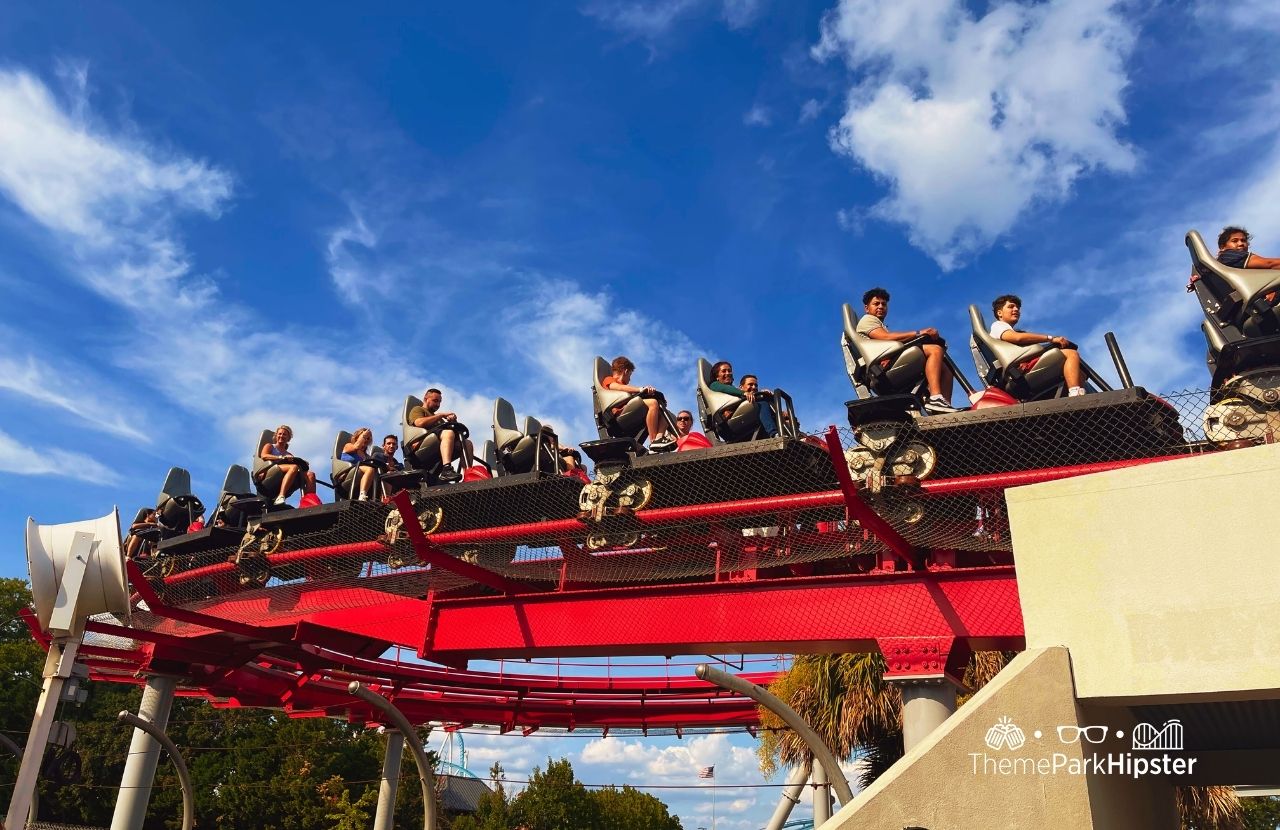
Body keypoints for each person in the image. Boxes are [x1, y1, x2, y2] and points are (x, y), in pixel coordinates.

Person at [856, 287, 959, 413]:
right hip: (881, 376)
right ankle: (935, 398)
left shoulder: (879, 324)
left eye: (884, 304)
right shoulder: (867, 319)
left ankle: (942, 405)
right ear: (867, 308)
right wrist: (919, 333)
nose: (881, 306)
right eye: (876, 304)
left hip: (886, 369)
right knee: (935, 350)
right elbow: (886, 337)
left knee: (945, 367)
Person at [989, 295, 1085, 397]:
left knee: (1080, 373)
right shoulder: (998, 326)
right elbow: (1017, 338)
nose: (1016, 309)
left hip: (1021, 369)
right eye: (1011, 306)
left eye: (1018, 308)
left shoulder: (1013, 331)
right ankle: (1076, 395)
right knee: (1071, 354)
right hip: (1017, 374)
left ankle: (1075, 397)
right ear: (999, 313)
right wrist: (1051, 338)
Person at [600, 356, 674, 451]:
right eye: (630, 375)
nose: (630, 379)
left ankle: (659, 438)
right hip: (618, 417)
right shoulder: (609, 379)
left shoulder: (626, 389)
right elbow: (616, 387)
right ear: (626, 371)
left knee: (664, 412)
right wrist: (640, 389)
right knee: (652, 403)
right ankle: (654, 441)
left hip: (630, 412)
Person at [408, 388, 473, 483]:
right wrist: (440, 415)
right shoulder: (418, 409)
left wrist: (453, 422)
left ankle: (469, 474)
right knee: (448, 433)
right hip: (420, 448)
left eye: (439, 402)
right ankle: (446, 469)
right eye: (435, 401)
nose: (438, 404)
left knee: (466, 443)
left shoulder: (438, 420)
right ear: (426, 399)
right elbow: (419, 423)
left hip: (437, 446)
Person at [708, 362, 778, 438]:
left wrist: (764, 394)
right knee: (762, 404)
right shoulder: (715, 385)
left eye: (729, 371)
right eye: (724, 371)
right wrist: (744, 393)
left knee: (765, 403)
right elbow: (725, 389)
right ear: (717, 376)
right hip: (727, 425)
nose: (728, 373)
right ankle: (774, 433)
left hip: (740, 420)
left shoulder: (733, 390)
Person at [257, 424, 317, 506]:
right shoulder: (270, 446)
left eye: (284, 434)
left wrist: (301, 462)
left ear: (288, 438)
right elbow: (264, 456)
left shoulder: (289, 454)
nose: (281, 436)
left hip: (285, 472)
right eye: (280, 434)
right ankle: (281, 496)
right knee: (293, 467)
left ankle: (309, 502)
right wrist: (280, 457)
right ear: (276, 436)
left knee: (310, 474)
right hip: (271, 472)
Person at [337, 427, 378, 501]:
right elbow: (356, 447)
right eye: (363, 436)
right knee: (369, 469)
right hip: (348, 475)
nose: (366, 439)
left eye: (368, 438)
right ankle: (362, 496)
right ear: (357, 437)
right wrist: (364, 435)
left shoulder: (366, 456)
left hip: (360, 474)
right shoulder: (349, 445)